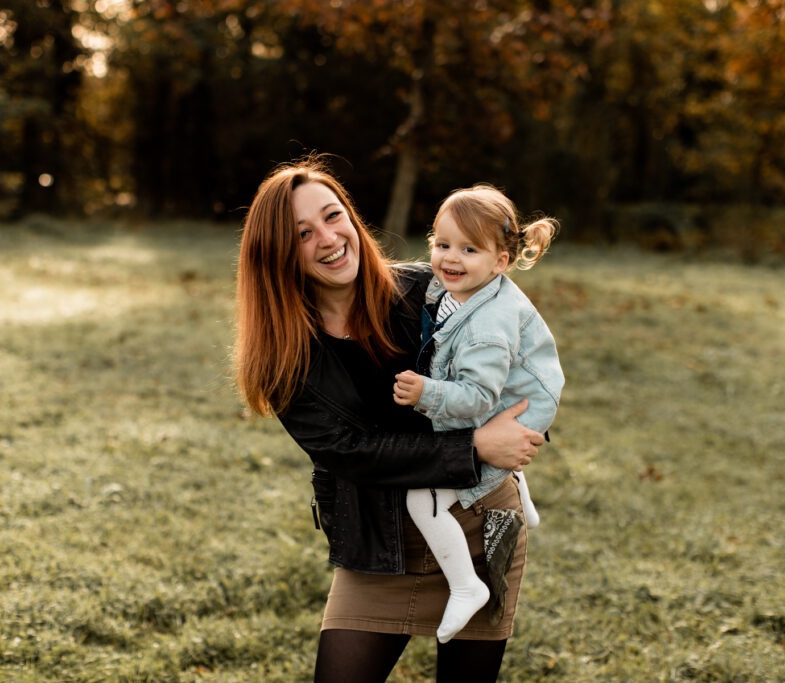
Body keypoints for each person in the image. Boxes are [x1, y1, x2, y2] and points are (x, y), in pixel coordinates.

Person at [233, 157, 546, 683]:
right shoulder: (281, 358)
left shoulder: (435, 291)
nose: (329, 239)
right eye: (302, 234)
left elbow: (523, 362)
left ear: (352, 218)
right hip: (378, 542)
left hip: (478, 522)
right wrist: (475, 447)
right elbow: (353, 452)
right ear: (276, 254)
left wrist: (517, 430)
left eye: (334, 217)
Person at [392, 184, 565, 644]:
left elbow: (477, 400)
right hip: (525, 395)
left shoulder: (487, 328)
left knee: (421, 500)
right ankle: (520, 491)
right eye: (442, 244)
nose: (451, 258)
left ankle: (467, 586)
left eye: (469, 249)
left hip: (513, 408)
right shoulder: (470, 289)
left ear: (500, 261)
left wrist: (426, 392)